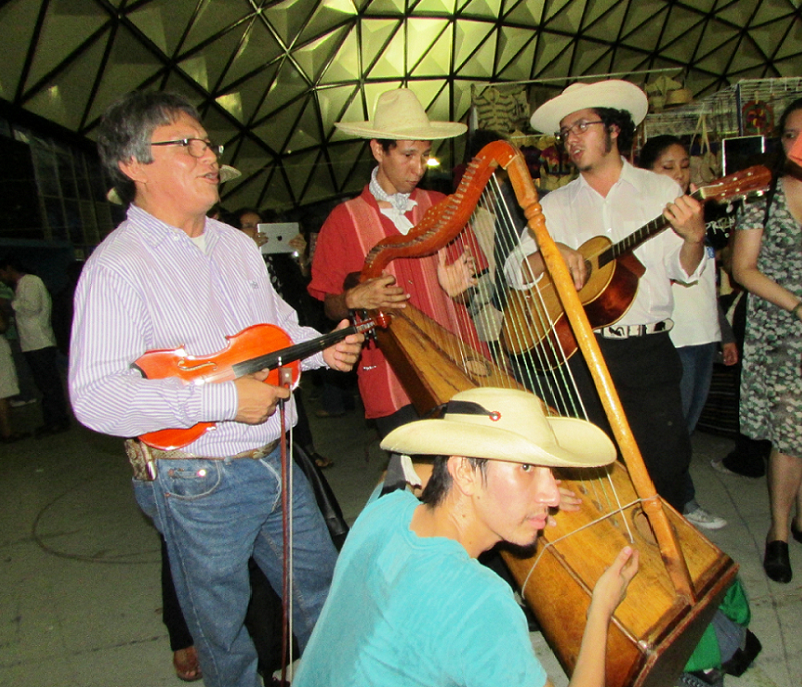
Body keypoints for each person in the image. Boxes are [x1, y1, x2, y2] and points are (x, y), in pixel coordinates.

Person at [68, 90, 364, 687]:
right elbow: (94, 395)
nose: (208, 156)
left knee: (324, 594)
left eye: (208, 143)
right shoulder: (117, 267)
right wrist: (223, 399)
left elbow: (277, 332)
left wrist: (320, 349)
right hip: (196, 480)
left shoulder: (233, 243)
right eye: (186, 144)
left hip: (277, 460)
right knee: (224, 633)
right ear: (133, 166)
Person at [292, 386, 639, 686]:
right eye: (526, 467)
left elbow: (409, 472)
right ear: (463, 472)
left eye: (550, 472)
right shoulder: (480, 602)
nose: (551, 495)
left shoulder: (385, 506)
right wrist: (601, 610)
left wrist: (527, 489)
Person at [504, 80, 707, 512]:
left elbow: (685, 271)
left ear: (614, 129)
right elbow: (514, 270)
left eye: (582, 126)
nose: (571, 139)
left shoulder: (661, 192)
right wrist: (547, 251)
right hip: (583, 352)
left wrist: (694, 237)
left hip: (649, 350)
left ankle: (665, 563)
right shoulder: (553, 206)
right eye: (566, 132)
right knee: (592, 468)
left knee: (665, 466)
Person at [308, 88, 479, 441]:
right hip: (390, 378)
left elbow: (467, 294)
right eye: (408, 154)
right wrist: (353, 300)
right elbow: (329, 306)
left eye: (426, 155)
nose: (419, 168)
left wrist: (458, 293)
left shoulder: (444, 207)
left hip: (460, 367)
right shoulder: (343, 220)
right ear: (377, 150)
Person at [638, 134, 737, 530]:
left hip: (703, 334)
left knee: (687, 427)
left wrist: (724, 332)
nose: (679, 174)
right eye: (668, 167)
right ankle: (680, 503)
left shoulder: (697, 213)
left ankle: (675, 499)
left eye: (684, 165)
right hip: (672, 336)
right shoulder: (652, 216)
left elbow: (707, 276)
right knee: (672, 432)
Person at [731, 97, 802, 584]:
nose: (799, 143)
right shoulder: (763, 192)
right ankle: (779, 532)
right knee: (790, 437)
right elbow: (742, 268)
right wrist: (798, 306)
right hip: (780, 330)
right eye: (792, 134)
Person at [0, 254, 71, 437]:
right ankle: (53, 419)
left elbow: (32, 307)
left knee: (48, 384)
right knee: (44, 384)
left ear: (8, 269)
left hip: (39, 341)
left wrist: (10, 305)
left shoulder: (30, 282)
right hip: (32, 342)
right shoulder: (23, 284)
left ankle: (57, 420)